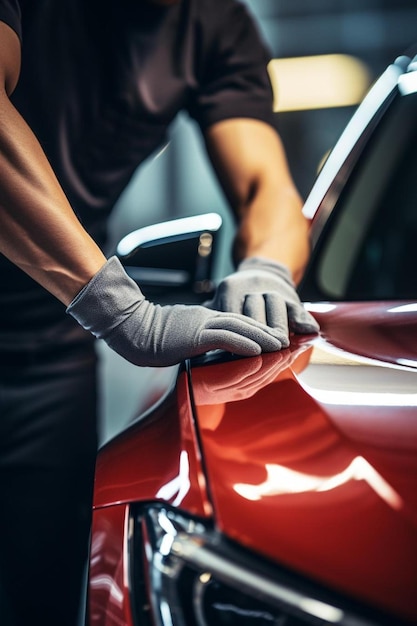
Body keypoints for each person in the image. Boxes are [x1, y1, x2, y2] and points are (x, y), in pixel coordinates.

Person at [0, 0, 319, 624]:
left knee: (47, 594)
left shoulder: (215, 27)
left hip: (50, 350)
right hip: (84, 310)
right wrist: (123, 313)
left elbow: (265, 186)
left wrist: (266, 265)